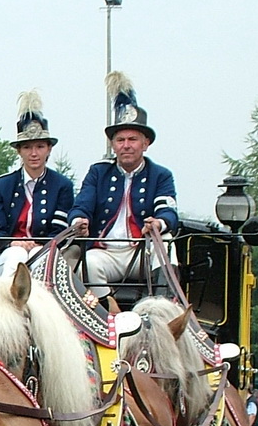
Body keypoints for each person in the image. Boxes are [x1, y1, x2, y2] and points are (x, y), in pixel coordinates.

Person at [67, 73, 179, 298]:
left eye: (133, 139)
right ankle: (107, 311)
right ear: (113, 145)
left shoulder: (161, 175)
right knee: (87, 262)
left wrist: (158, 223)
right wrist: (79, 221)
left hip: (141, 252)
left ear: (145, 144)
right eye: (120, 140)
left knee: (165, 243)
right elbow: (81, 206)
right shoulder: (98, 173)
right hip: (105, 252)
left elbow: (168, 211)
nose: (126, 146)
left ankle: (164, 307)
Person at [0, 91, 75, 245]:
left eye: (40, 147)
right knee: (14, 260)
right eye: (27, 147)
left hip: (47, 250)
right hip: (11, 250)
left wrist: (39, 246)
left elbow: (60, 232)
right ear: (19, 151)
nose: (34, 154)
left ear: (49, 149)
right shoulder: (2, 186)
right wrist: (13, 243)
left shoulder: (62, 186)